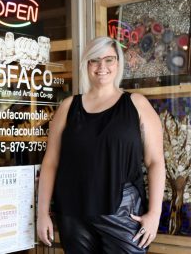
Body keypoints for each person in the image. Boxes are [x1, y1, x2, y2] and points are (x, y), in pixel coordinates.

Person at [36, 36, 165, 253]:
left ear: (118, 63)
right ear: (86, 64)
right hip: (73, 212)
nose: (101, 66)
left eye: (109, 59)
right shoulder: (68, 107)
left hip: (122, 211)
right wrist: (42, 213)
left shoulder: (137, 104)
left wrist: (154, 214)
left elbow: (156, 162)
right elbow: (50, 163)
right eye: (94, 60)